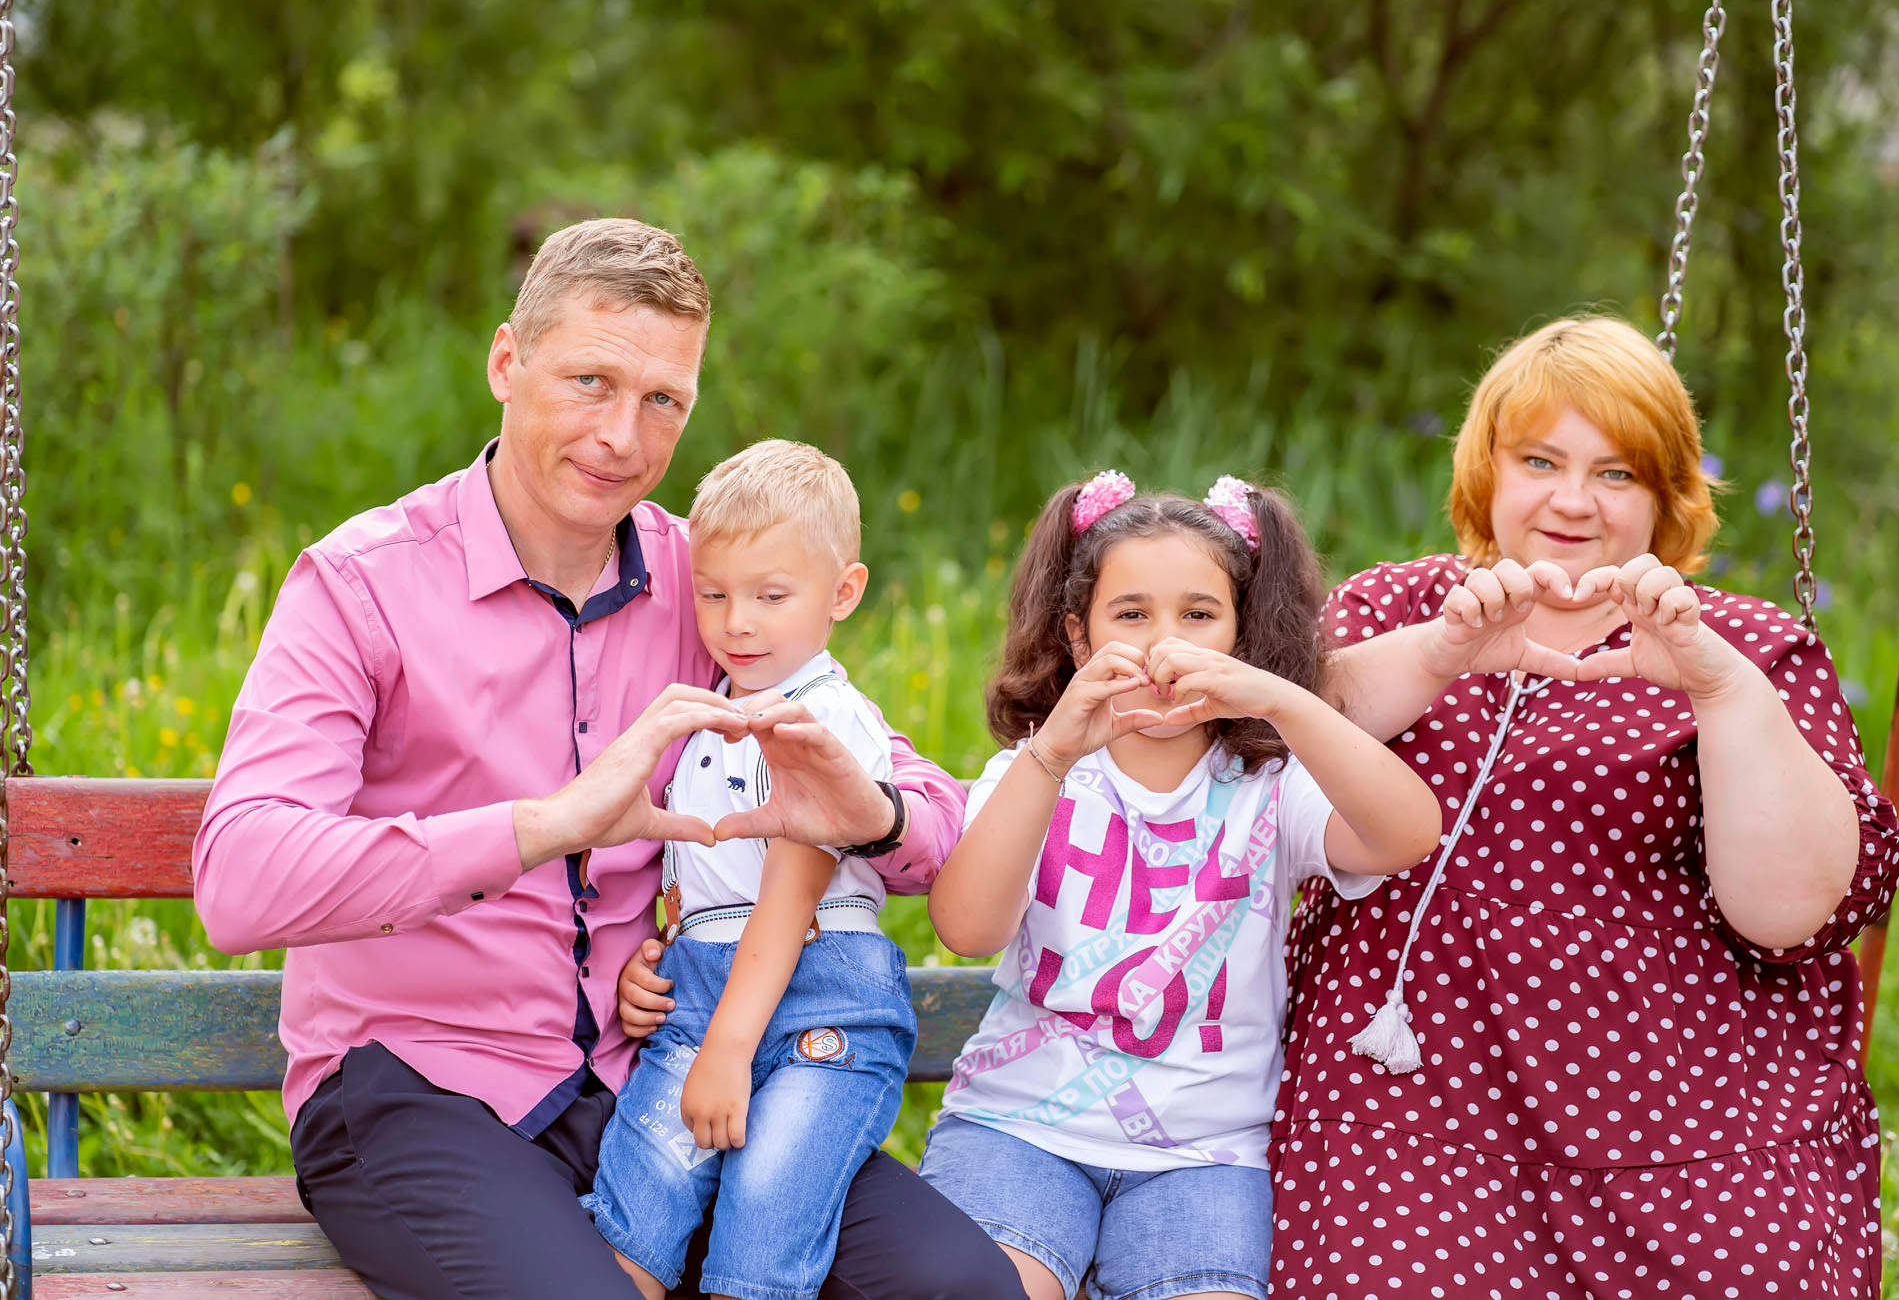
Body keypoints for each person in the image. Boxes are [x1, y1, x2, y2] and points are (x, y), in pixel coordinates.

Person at [191, 218, 1021, 1299]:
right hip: (416, 1087)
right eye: (589, 380)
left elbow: (921, 804)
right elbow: (240, 880)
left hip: (657, 1073)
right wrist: (548, 822)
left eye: (662, 400)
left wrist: (869, 813)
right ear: (505, 360)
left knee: (951, 1284)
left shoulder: (709, 584)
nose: (621, 436)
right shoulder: (361, 586)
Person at [1271, 315, 1899, 1298]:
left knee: (1754, 1267)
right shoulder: (1390, 608)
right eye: (1538, 460)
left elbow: (1786, 910)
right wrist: (1441, 652)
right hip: (1407, 1105)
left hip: (1677, 1111)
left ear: (1664, 497)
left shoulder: (1743, 645)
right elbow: (1267, 749)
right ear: (1487, 470)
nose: (1571, 501)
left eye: (1615, 474)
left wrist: (1717, 689)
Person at [916, 471, 1444, 1300]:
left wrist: (1282, 700)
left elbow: (1409, 834)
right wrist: (1050, 754)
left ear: (1238, 636)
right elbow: (968, 929)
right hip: (1018, 1132)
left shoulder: (1273, 788)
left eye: (1199, 615)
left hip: (1204, 1158)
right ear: (1079, 638)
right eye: (1132, 615)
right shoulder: (1034, 777)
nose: (1168, 644)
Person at [583, 439, 919, 1300]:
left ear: (843, 592)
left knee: (761, 1238)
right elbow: (709, 879)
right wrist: (662, 954)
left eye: (772, 596)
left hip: (819, 1002)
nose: (738, 622)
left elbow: (788, 894)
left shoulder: (824, 720)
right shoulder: (713, 713)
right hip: (702, 998)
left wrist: (729, 1046)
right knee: (635, 1212)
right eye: (715, 593)